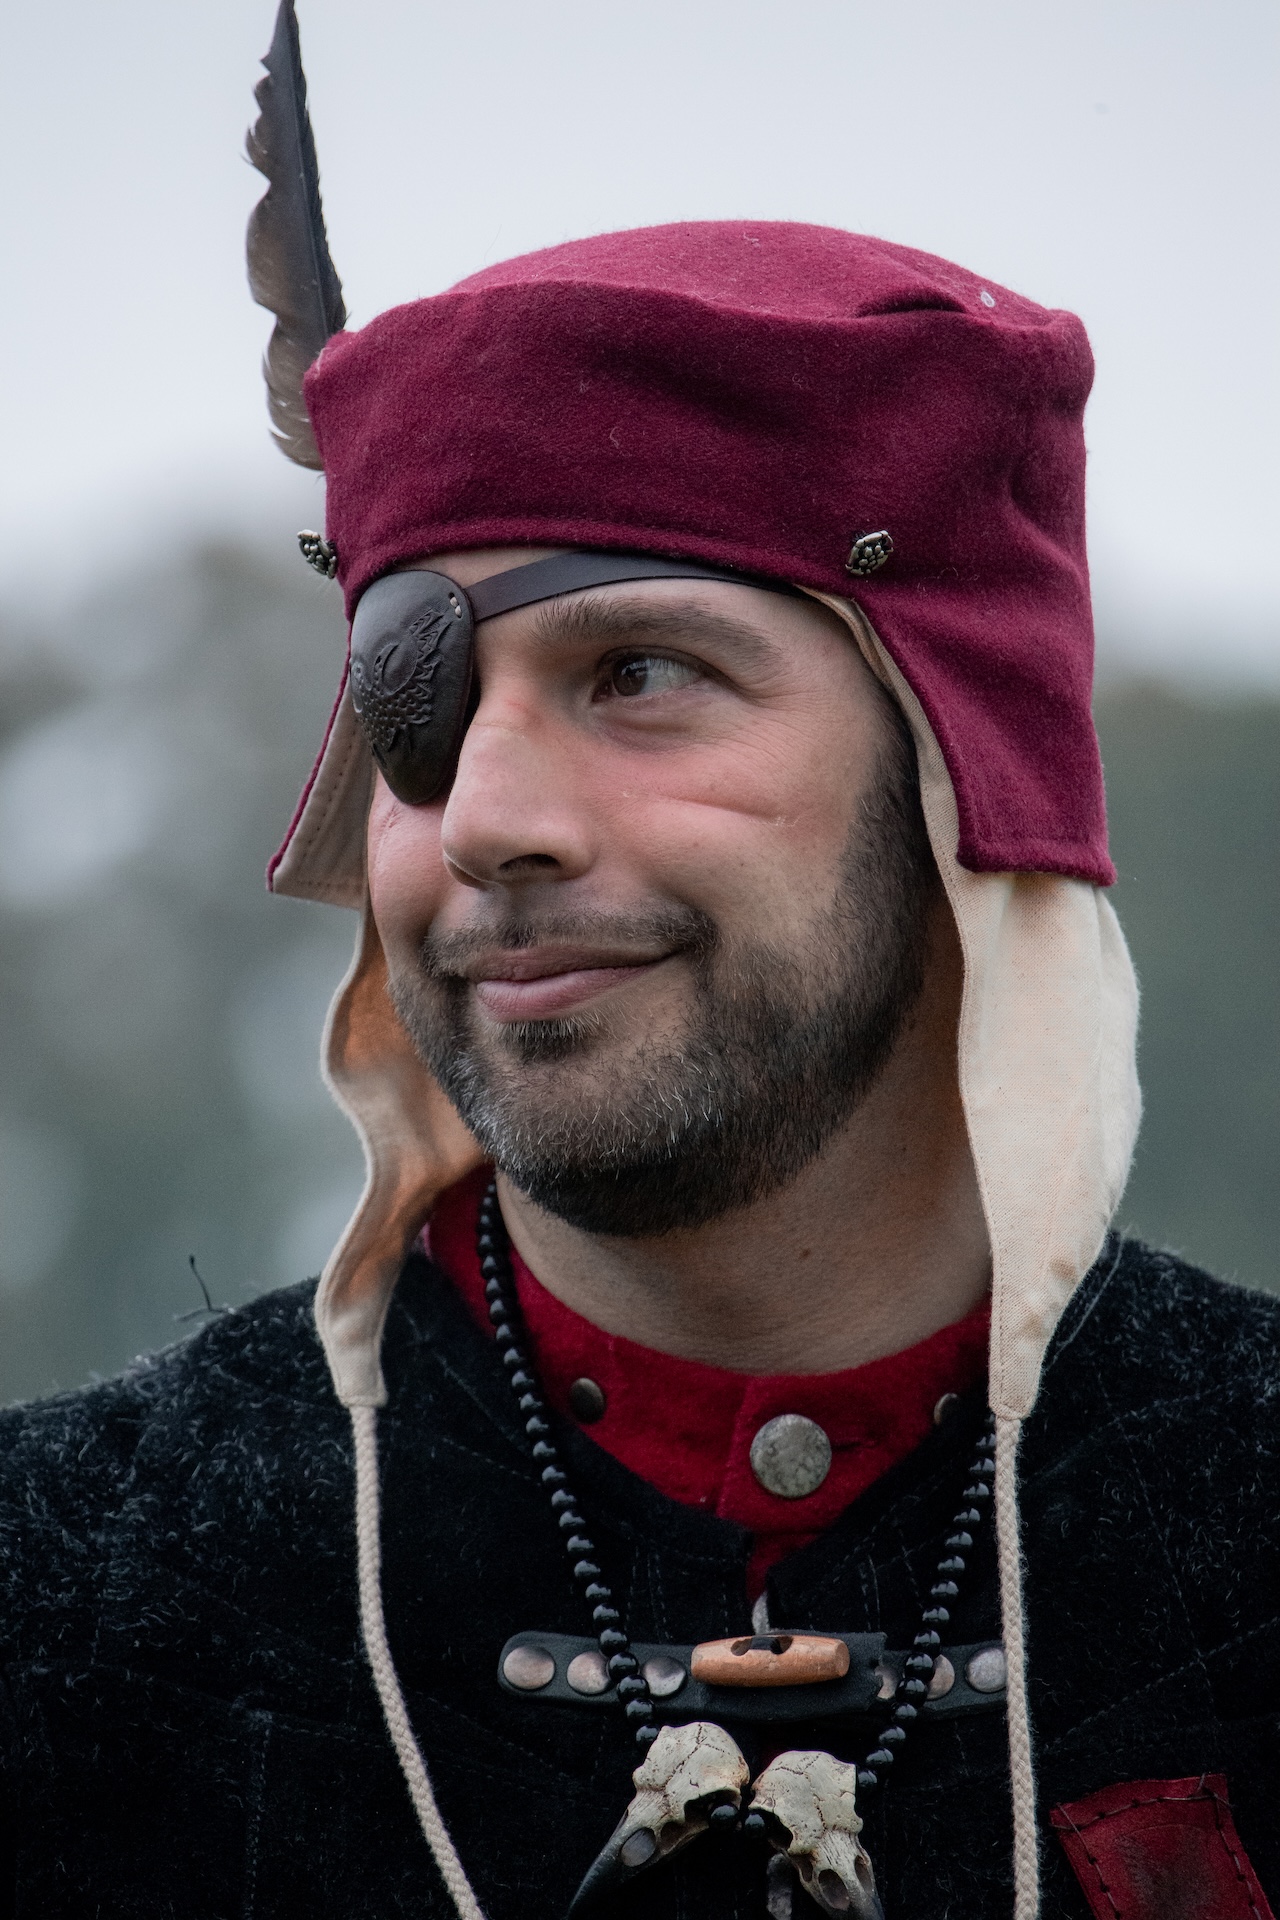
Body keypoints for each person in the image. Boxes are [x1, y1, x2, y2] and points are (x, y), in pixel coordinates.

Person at [1, 5, 1277, 1916]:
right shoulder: (59, 1605)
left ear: (961, 769)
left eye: (643, 673)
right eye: (419, 709)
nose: (481, 817)